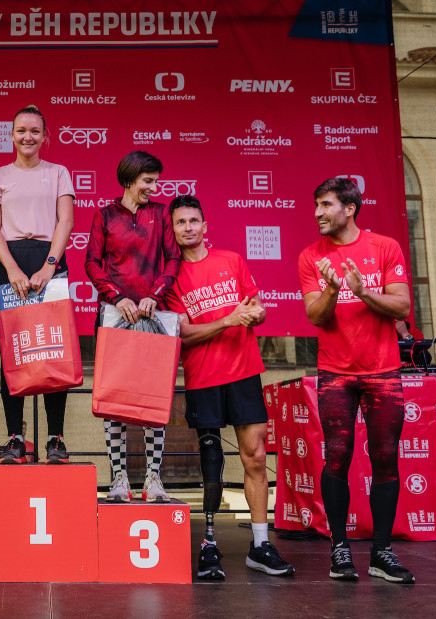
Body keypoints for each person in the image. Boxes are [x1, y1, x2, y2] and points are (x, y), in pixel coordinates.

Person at [164, 195, 294, 579]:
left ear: (205, 226)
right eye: (180, 222)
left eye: (193, 221)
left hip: (244, 374)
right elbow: (183, 334)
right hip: (204, 379)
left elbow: (258, 308)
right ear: (173, 231)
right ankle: (209, 546)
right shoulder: (171, 279)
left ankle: (260, 545)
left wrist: (256, 314)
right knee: (211, 464)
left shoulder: (232, 261)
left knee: (255, 457)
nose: (188, 227)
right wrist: (228, 320)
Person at [298, 177, 414, 584]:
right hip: (335, 374)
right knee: (337, 456)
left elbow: (402, 305)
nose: (318, 212)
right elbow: (315, 316)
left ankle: (382, 552)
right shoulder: (311, 256)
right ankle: (340, 549)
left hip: (383, 372)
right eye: (316, 204)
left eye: (326, 204)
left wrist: (363, 292)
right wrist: (332, 289)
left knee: (385, 458)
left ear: (349, 208)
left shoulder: (384, 247)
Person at [84, 151, 180, 503]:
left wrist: (155, 294)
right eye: (147, 181)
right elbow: (92, 262)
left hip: (154, 314)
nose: (153, 187)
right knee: (114, 399)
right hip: (115, 315)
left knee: (154, 396)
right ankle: (119, 477)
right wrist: (116, 297)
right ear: (129, 180)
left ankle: (153, 478)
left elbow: (173, 258)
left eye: (155, 181)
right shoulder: (105, 216)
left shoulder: (161, 213)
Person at [0, 104, 74, 463]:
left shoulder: (58, 172)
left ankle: (55, 439)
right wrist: (12, 269)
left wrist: (50, 265)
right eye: (21, 130)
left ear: (45, 136)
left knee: (54, 350)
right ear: (11, 135)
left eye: (35, 131)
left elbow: (65, 221)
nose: (28, 137)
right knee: (14, 350)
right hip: (10, 263)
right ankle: (15, 439)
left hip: (50, 259)